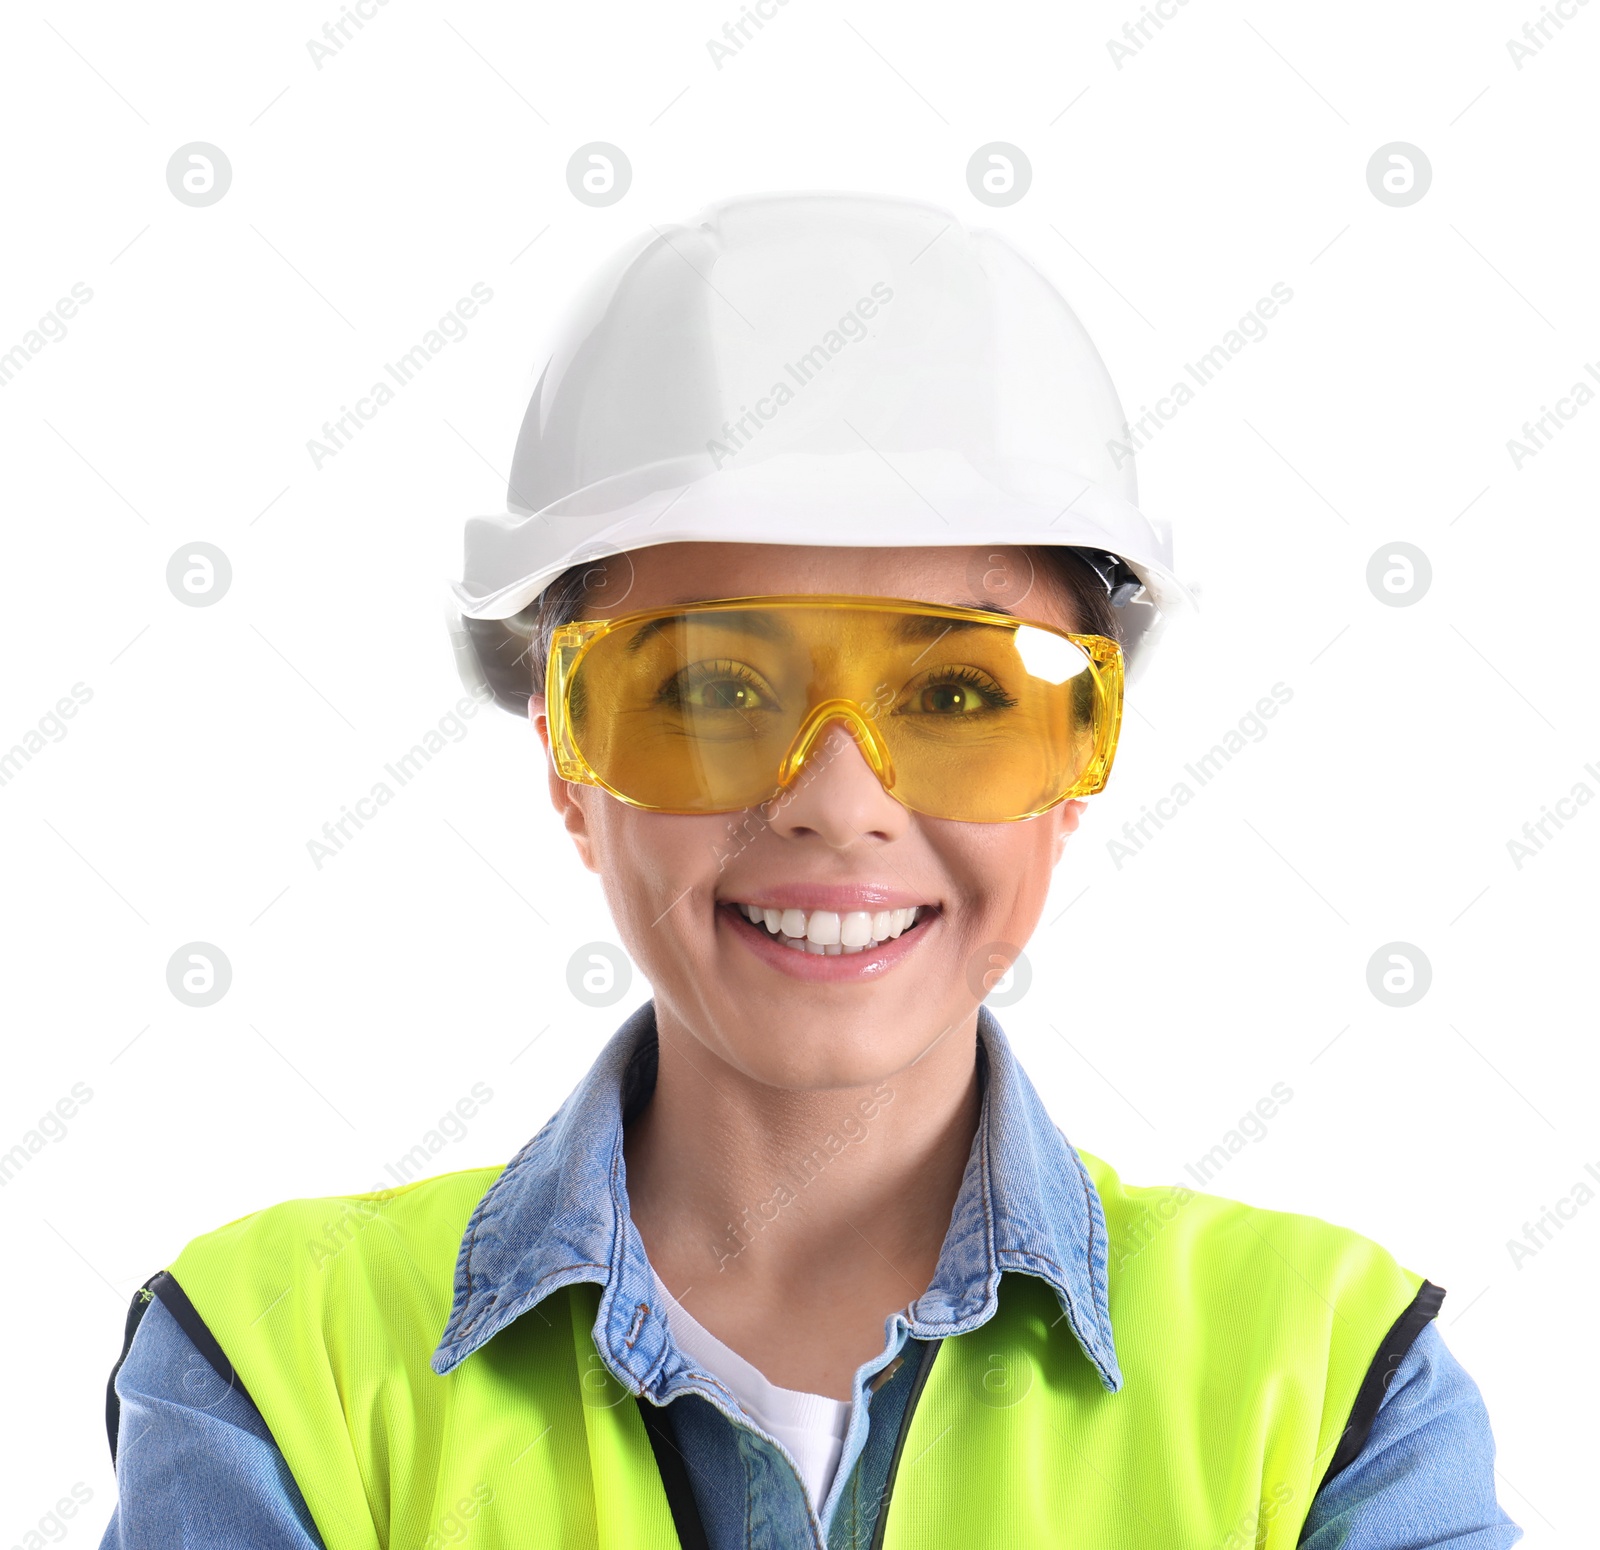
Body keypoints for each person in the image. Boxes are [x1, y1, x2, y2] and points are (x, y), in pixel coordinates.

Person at [100, 192, 1521, 1548]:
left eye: (959, 698)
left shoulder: (1331, 1382)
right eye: (717, 688)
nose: (839, 804)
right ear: (565, 757)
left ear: (1078, 759)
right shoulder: (280, 1372)